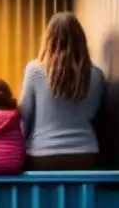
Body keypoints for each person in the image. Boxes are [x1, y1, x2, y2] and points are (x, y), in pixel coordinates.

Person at [19, 12, 106, 170]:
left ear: (49, 38)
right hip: (86, 154)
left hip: (42, 155)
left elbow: (24, 116)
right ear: (81, 40)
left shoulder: (35, 70)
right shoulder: (96, 75)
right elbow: (94, 114)